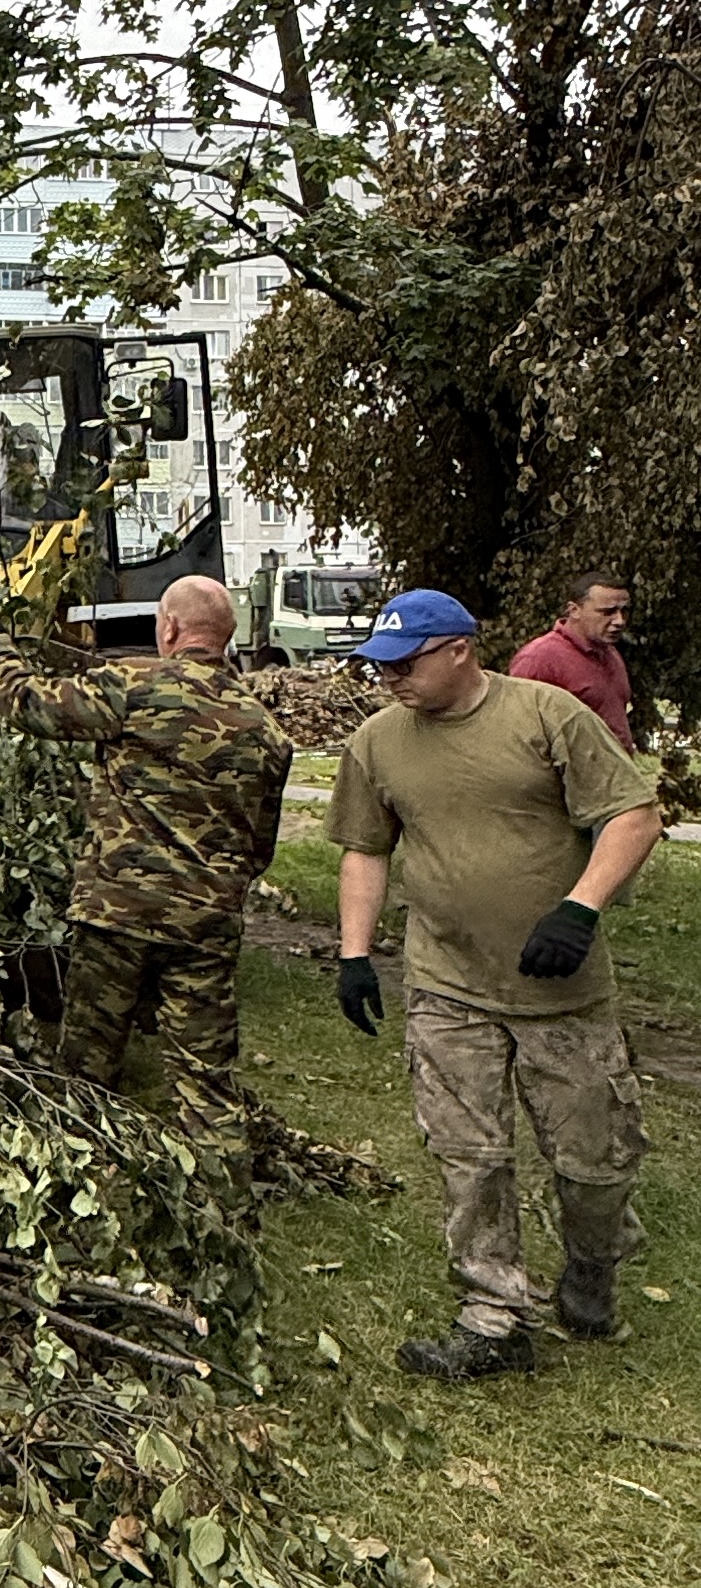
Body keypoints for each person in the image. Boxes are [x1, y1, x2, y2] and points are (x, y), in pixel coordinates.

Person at [328, 585, 662, 1381]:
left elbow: (634, 816)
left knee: (593, 1159)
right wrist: (353, 954)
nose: (391, 681)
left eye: (405, 665)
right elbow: (365, 850)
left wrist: (580, 911)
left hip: (560, 987)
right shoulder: (378, 743)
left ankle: (592, 1266)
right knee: (468, 1156)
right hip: (447, 983)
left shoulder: (546, 717)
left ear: (458, 651)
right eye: (379, 668)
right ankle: (493, 1315)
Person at [0, 573, 292, 1158]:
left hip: (117, 911)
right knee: (206, 1080)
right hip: (206, 923)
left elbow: (24, 705)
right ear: (230, 635)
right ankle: (222, 1216)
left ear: (169, 628)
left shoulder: (133, 684)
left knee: (87, 1068)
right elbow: (260, 847)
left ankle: (81, 1187)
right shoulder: (267, 731)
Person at [508, 572, 636, 753]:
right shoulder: (539, 658)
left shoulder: (610, 654)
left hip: (615, 775)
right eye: (607, 612)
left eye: (624, 611)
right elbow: (519, 735)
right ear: (574, 610)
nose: (620, 621)